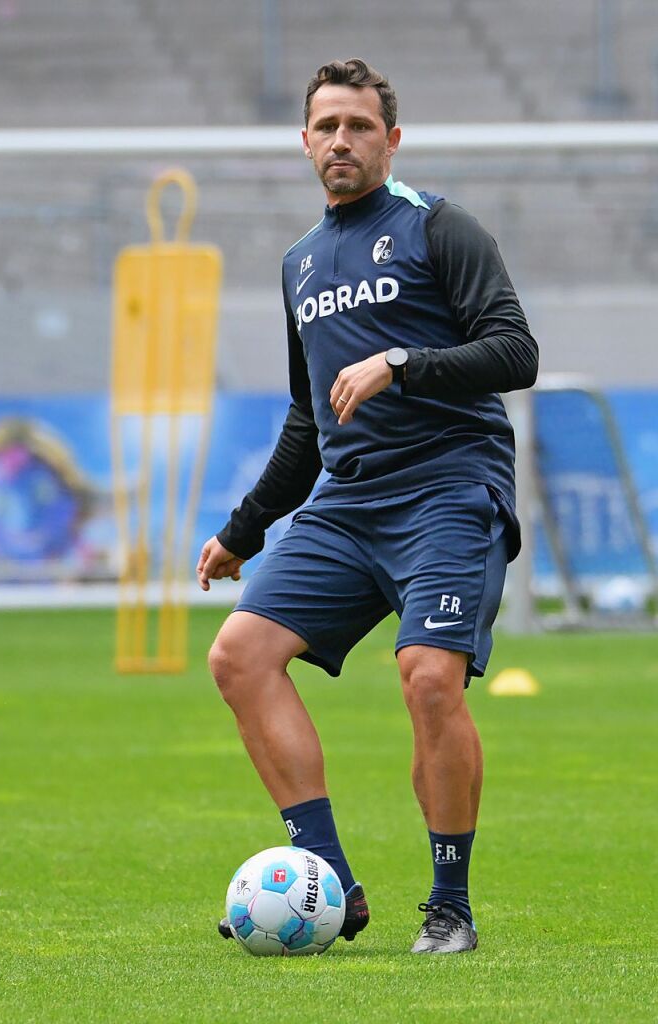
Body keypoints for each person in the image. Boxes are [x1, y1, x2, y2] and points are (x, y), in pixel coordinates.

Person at [197, 57, 537, 954]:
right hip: (349, 505)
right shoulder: (299, 264)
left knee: (428, 676)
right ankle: (330, 884)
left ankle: (450, 906)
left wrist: (402, 362)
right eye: (325, 126)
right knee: (239, 655)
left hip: (448, 487)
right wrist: (242, 530)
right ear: (304, 142)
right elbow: (309, 419)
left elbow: (515, 351)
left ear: (391, 139)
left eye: (357, 125)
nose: (339, 140)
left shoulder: (438, 228)